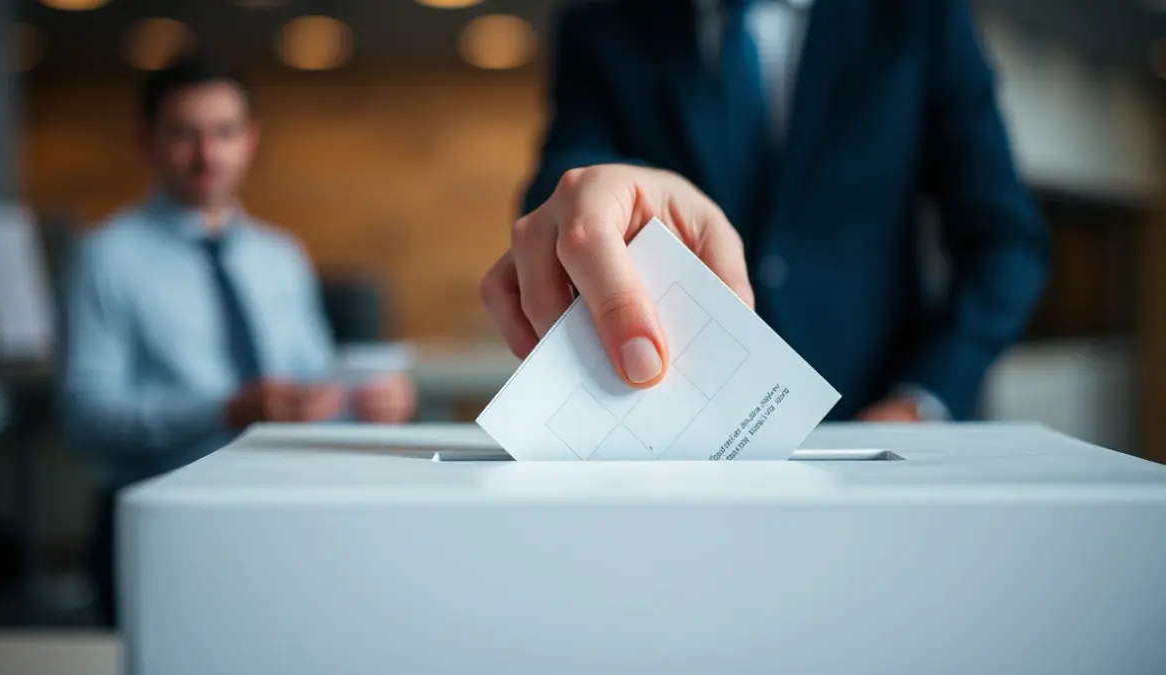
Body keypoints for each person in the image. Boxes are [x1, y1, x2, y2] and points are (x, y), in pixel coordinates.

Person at [483, 0, 1047, 423]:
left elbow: (1004, 241)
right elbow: (565, 184)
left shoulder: (919, 15)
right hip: (681, 429)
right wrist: (577, 209)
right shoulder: (603, 23)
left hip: (884, 421)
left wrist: (922, 398)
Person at [57, 57, 416, 626]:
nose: (208, 155)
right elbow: (85, 416)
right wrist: (225, 409)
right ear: (147, 142)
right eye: (184, 134)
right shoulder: (107, 256)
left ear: (249, 140)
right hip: (160, 526)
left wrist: (362, 405)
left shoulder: (281, 256)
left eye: (224, 132)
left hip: (278, 516)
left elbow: (311, 391)